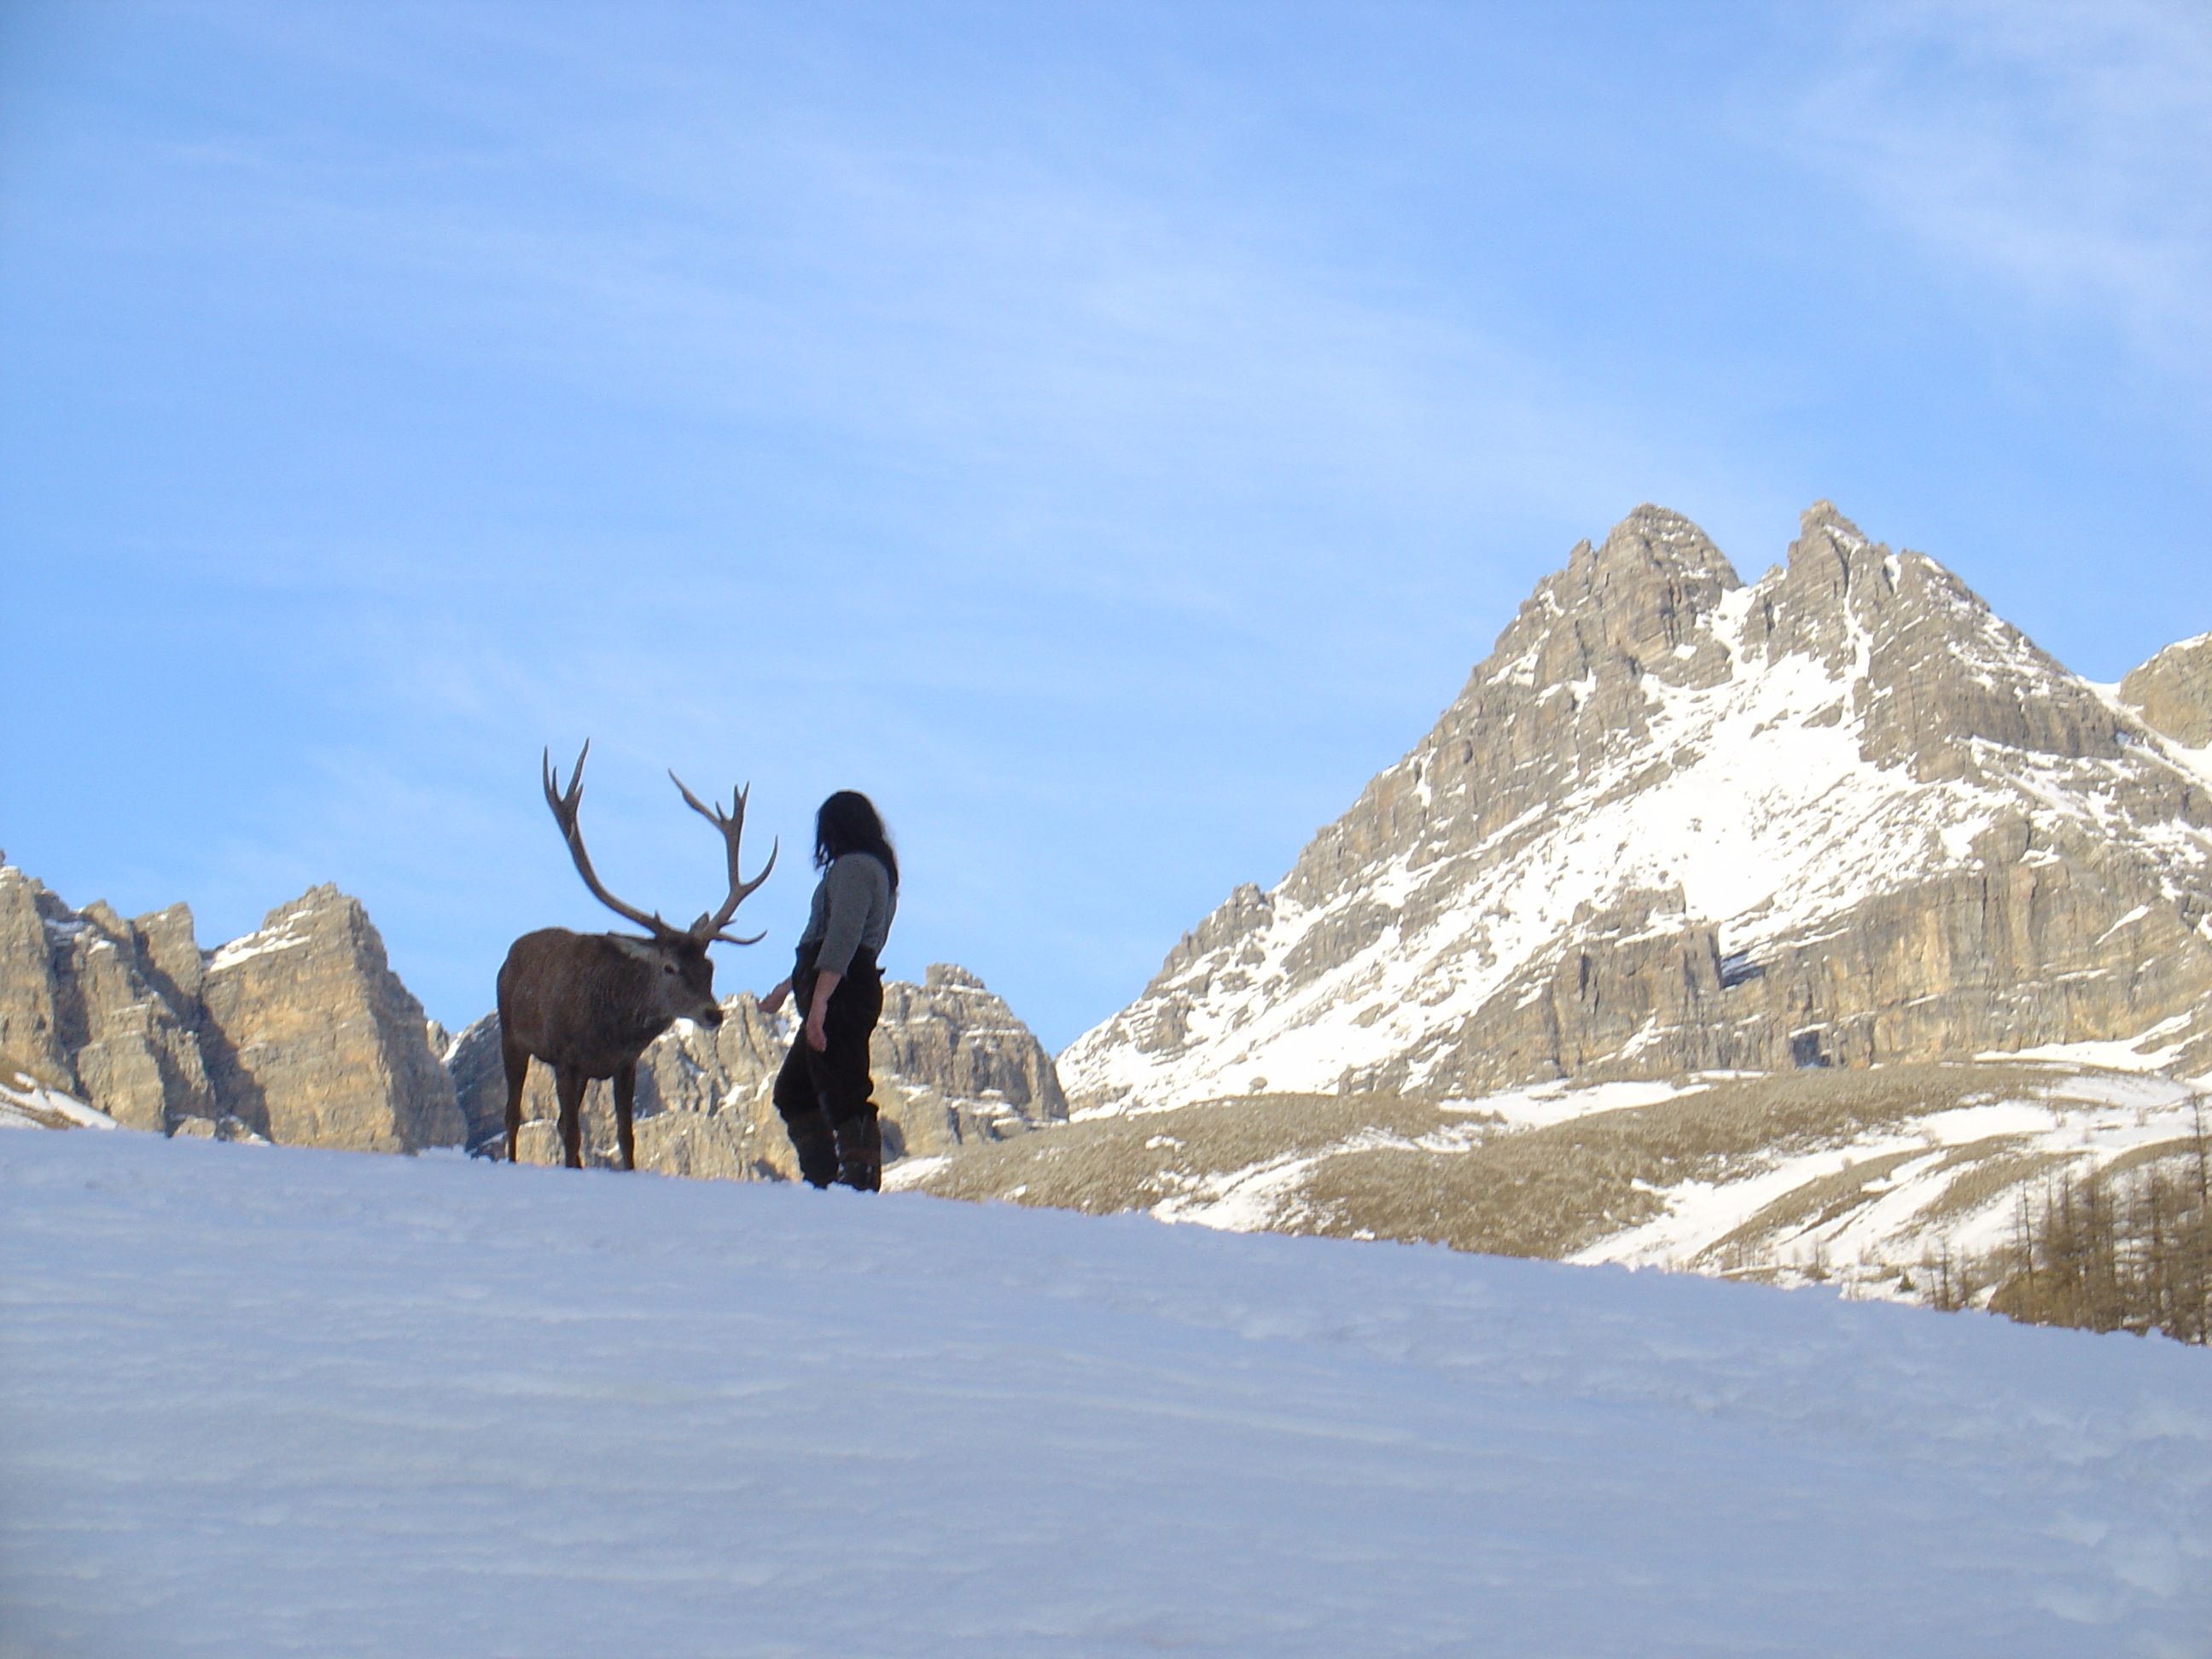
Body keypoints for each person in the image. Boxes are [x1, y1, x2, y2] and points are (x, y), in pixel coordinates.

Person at [760, 790, 899, 1190]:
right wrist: (788, 988)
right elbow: (836, 942)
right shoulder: (874, 870)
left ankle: (857, 1187)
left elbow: (842, 939)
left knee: (845, 1094)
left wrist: (819, 1002)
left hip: (842, 994)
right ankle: (825, 1183)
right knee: (796, 1091)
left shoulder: (855, 869)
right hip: (845, 988)